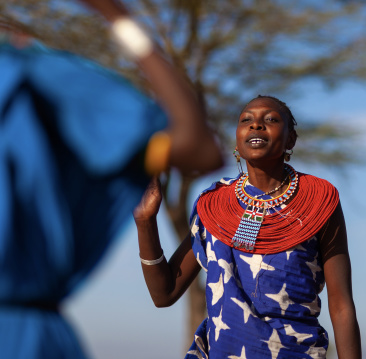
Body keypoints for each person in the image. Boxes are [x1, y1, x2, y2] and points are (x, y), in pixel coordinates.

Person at [0, 0, 222, 358]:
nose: (256, 128)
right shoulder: (222, 206)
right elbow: (165, 292)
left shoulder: (32, 92)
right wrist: (117, 17)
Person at [134, 95, 362, 358]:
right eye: (246, 120)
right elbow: (164, 294)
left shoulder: (318, 200)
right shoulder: (214, 207)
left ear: (291, 140)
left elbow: (342, 305)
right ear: (237, 139)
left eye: (271, 120)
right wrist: (145, 220)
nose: (256, 125)